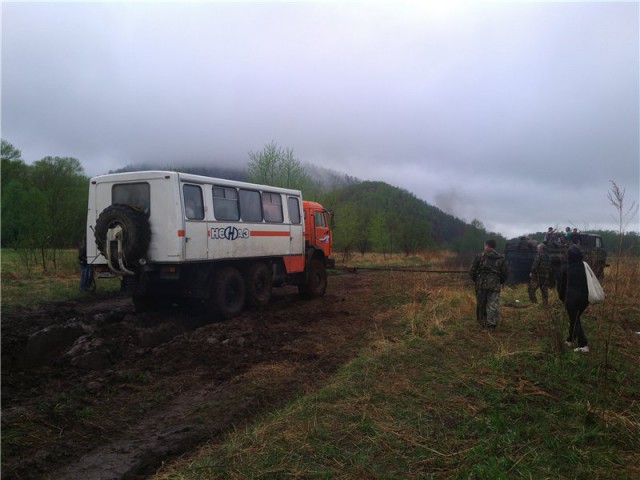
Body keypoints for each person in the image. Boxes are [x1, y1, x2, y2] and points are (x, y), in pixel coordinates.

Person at [469, 239, 509, 330]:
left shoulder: (479, 256)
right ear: (494, 246)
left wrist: (476, 280)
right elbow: (505, 273)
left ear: (486, 245)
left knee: (481, 303)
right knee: (493, 304)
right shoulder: (501, 258)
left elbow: (472, 271)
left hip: (481, 283)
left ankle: (481, 323)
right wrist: (499, 281)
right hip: (495, 283)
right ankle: (491, 324)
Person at [557, 246, 589, 353]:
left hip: (571, 298)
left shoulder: (566, 268)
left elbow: (561, 286)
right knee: (574, 318)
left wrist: (562, 298)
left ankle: (583, 344)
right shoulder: (585, 266)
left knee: (575, 320)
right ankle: (570, 340)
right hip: (585, 298)